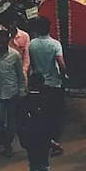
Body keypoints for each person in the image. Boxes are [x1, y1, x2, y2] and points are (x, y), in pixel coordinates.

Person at [0, 28, 26, 156]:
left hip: (13, 92)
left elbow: (20, 75)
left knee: (12, 122)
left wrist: (22, 91)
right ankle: (3, 139)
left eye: (3, 39)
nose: (1, 42)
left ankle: (8, 145)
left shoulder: (15, 55)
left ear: (7, 40)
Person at [27, 17, 66, 154]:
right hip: (54, 85)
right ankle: (54, 141)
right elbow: (61, 64)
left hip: (39, 85)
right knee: (55, 115)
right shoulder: (55, 44)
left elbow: (31, 65)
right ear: (49, 29)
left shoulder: (32, 44)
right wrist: (64, 76)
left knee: (41, 114)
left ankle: (45, 140)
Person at [19, 95, 53, 171]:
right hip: (43, 142)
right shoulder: (46, 101)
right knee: (44, 169)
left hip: (30, 141)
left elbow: (20, 124)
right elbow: (51, 124)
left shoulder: (24, 102)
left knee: (33, 166)